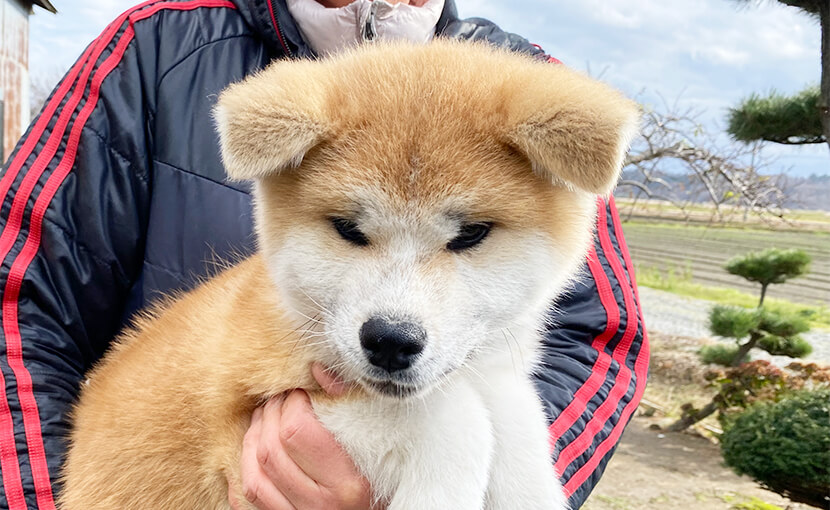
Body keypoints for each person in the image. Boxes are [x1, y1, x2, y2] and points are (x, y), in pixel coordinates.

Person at [0, 0, 648, 508]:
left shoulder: (525, 84)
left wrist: (493, 469)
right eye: (350, 230)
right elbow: (18, 299)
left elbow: (599, 341)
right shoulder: (157, 49)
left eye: (469, 236)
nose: (399, 309)